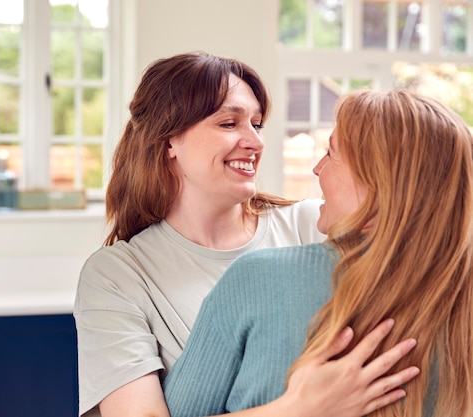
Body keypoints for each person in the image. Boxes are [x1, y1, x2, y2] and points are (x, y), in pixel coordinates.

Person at [74, 52, 418, 417]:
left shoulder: (311, 227)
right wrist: (300, 408)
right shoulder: (118, 275)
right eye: (228, 124)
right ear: (169, 139)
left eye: (257, 124)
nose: (254, 141)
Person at [163, 88, 473, 417]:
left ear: (380, 181)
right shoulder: (461, 297)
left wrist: (295, 409)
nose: (317, 168)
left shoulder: (260, 281)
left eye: (331, 153)